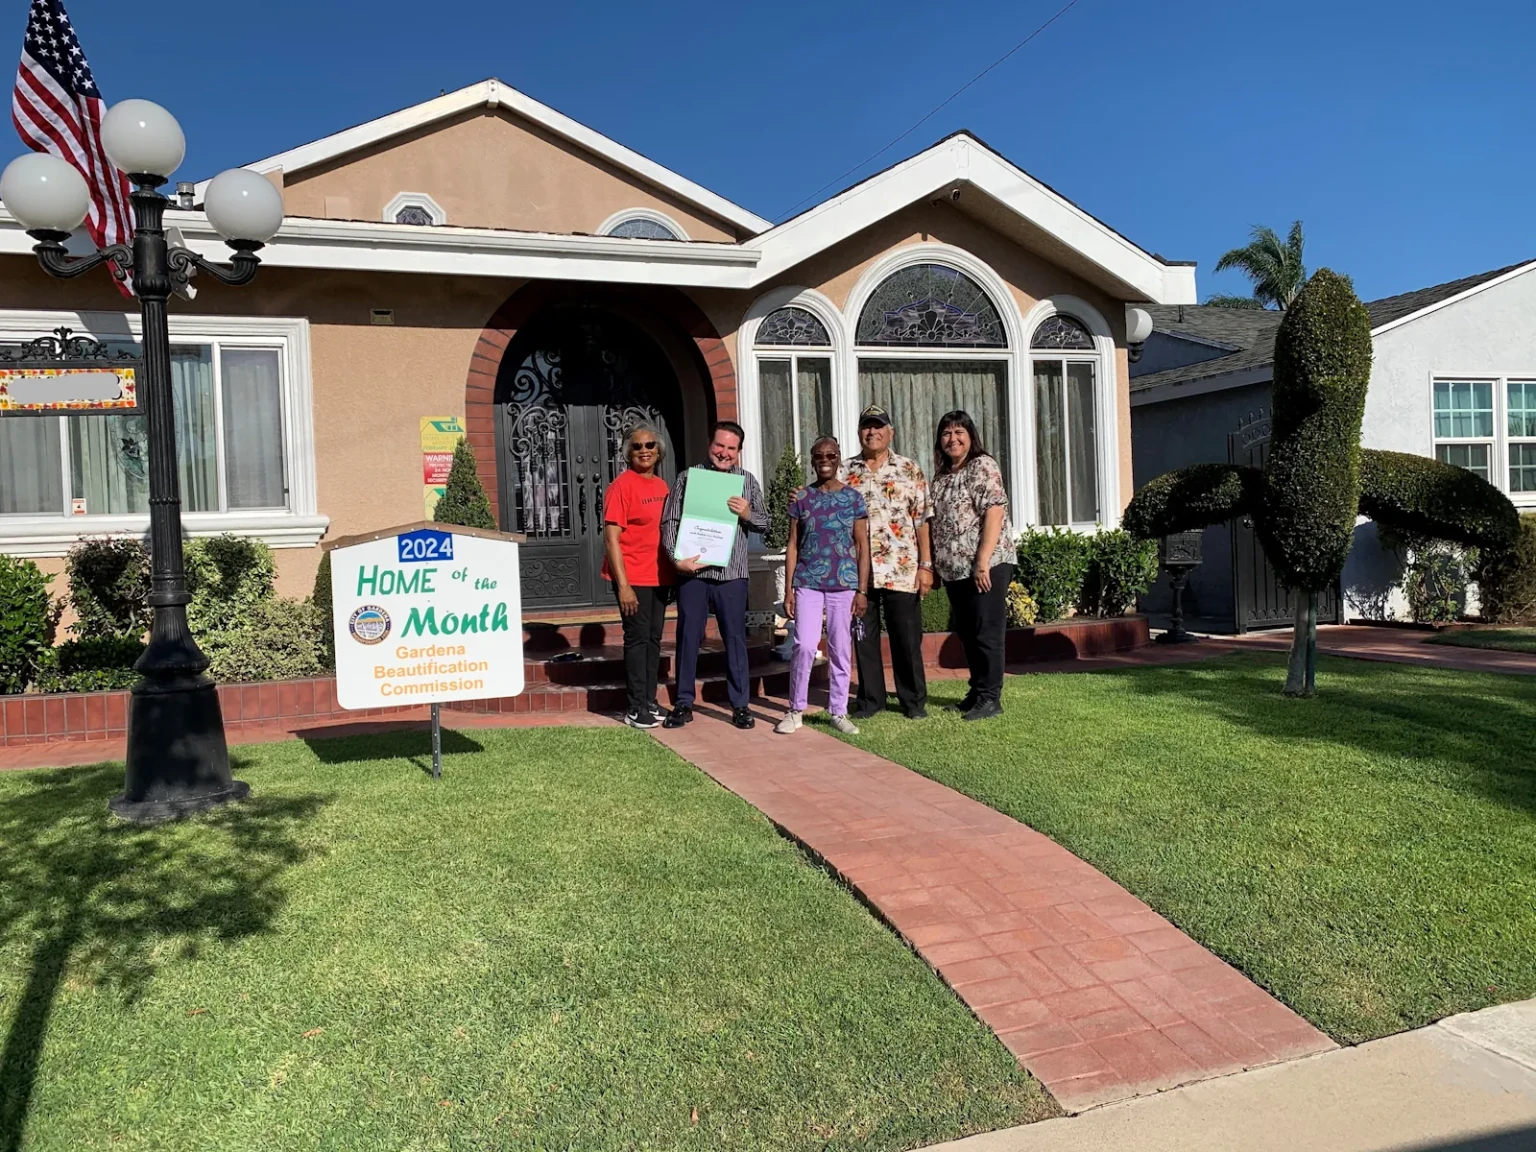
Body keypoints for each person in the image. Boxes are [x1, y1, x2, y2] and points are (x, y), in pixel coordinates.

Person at [659, 421, 768, 730]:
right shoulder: (688, 478)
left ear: (739, 451)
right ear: (710, 443)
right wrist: (677, 560)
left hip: (731, 574)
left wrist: (747, 514)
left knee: (734, 639)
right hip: (693, 572)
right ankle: (683, 702)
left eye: (731, 448)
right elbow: (670, 521)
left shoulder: (747, 481)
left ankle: (740, 705)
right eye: (720, 445)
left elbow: (765, 523)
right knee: (688, 637)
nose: (724, 453)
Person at [842, 404, 934, 720]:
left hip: (901, 568)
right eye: (867, 426)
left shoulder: (909, 469)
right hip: (858, 573)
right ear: (859, 433)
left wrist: (926, 566)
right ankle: (871, 700)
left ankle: (913, 701)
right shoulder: (844, 472)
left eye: (878, 426)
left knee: (906, 638)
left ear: (890, 432)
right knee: (864, 639)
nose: (872, 432)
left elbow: (922, 520)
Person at [776, 437, 869, 737]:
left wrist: (862, 590)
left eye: (831, 455)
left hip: (844, 582)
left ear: (838, 458)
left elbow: (862, 546)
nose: (825, 460)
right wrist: (789, 589)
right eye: (819, 456)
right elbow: (792, 545)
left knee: (840, 648)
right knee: (804, 645)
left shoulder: (853, 499)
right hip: (808, 581)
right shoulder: (802, 498)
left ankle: (838, 711)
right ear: (813, 460)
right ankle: (795, 710)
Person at [929, 409, 1017, 721]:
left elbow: (994, 511)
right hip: (955, 571)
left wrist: (982, 561)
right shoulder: (941, 477)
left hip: (986, 566)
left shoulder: (982, 465)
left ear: (970, 436)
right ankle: (977, 691)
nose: (952, 439)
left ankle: (991, 697)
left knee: (986, 633)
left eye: (958, 432)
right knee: (968, 633)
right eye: (946, 433)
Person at [602, 424, 672, 729]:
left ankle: (649, 701)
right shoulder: (621, 486)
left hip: (659, 576)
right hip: (633, 577)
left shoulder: (662, 486)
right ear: (628, 452)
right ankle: (634, 707)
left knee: (654, 640)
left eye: (650, 445)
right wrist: (624, 586)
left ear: (659, 451)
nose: (644, 450)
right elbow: (611, 540)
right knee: (637, 640)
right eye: (637, 446)